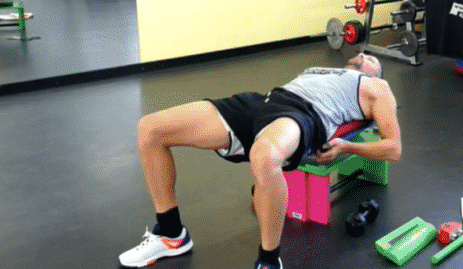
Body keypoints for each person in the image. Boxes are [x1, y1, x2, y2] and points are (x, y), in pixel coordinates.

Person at [120, 53, 402, 269]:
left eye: (371, 59)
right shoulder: (325, 70)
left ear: (377, 74)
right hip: (262, 102)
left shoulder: (378, 87)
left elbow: (394, 148)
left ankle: (269, 261)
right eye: (362, 54)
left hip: (304, 114)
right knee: (150, 128)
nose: (363, 55)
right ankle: (171, 234)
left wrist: (346, 146)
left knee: (265, 157)